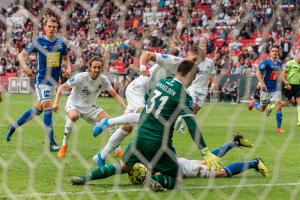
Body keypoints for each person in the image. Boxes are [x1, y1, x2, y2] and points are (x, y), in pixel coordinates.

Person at [71, 60, 222, 192]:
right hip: (159, 143)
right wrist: (205, 152)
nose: (192, 81)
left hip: (140, 136)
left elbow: (148, 97)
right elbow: (192, 125)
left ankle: (86, 178)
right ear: (189, 75)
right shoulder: (184, 95)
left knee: (123, 166)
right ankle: (154, 180)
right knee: (177, 180)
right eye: (193, 78)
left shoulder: (162, 83)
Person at [6, 16, 71, 151]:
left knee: (37, 110)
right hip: (42, 81)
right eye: (49, 26)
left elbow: (65, 57)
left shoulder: (61, 43)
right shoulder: (39, 41)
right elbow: (20, 55)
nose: (52, 29)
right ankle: (51, 143)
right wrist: (25, 67)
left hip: (53, 82)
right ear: (45, 28)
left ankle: (14, 126)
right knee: (48, 107)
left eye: (54, 27)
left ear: (57, 28)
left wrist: (68, 67)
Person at [52, 56, 126, 158]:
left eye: (99, 67)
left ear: (101, 68)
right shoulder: (80, 77)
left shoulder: (103, 80)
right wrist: (55, 103)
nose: (96, 70)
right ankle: (64, 145)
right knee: (73, 116)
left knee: (111, 123)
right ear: (90, 67)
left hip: (90, 108)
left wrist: (124, 107)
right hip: (74, 104)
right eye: (94, 67)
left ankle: (118, 150)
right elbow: (61, 87)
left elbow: (114, 94)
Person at [178, 133, 269, 178]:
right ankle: (235, 142)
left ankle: (255, 163)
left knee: (221, 172)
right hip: (177, 161)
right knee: (206, 162)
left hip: (180, 168)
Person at [248, 45, 285, 133]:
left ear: (278, 52)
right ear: (270, 53)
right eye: (273, 51)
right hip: (265, 89)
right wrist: (262, 83)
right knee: (262, 109)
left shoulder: (279, 63)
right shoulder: (266, 62)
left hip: (276, 89)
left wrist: (285, 82)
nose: (275, 52)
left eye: (276, 51)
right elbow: (258, 72)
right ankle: (254, 103)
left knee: (279, 105)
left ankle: (278, 128)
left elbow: (280, 75)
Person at [282, 51, 300, 126]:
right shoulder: (290, 63)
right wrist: (285, 82)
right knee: (285, 103)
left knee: (299, 102)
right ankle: (271, 106)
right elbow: (283, 73)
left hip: (298, 86)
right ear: (297, 55)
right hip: (289, 86)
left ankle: (299, 120)